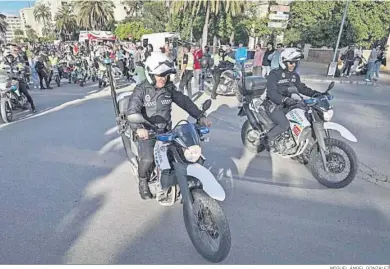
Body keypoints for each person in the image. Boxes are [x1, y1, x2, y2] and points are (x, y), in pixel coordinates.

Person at [127, 52, 212, 199]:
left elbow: (184, 102)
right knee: (148, 159)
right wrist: (139, 128)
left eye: (165, 76)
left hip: (166, 131)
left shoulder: (169, 88)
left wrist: (200, 116)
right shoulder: (141, 90)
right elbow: (132, 110)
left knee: (183, 153)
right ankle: (143, 182)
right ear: (150, 74)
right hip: (148, 131)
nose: (163, 79)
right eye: (160, 76)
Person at [265, 48, 323, 151]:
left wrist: (317, 94)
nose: (293, 65)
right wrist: (284, 99)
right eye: (291, 62)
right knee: (284, 124)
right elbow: (271, 92)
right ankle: (268, 139)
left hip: (288, 104)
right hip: (273, 104)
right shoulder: (274, 74)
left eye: (295, 63)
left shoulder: (294, 76)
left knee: (303, 116)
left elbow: (302, 88)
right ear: (283, 62)